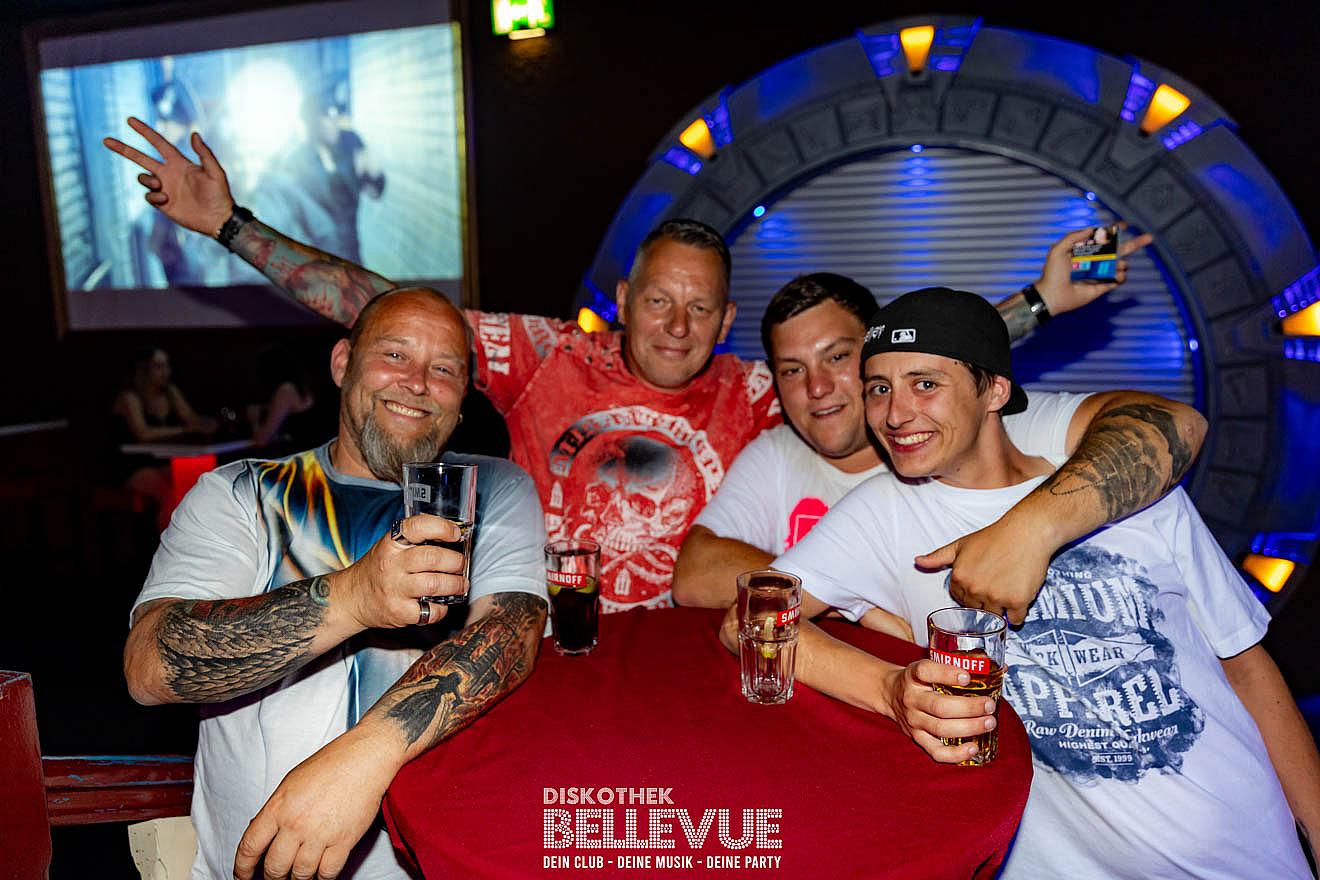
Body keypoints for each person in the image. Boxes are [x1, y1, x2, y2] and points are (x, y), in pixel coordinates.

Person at [105, 118, 1151, 611]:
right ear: (623, 300)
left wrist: (1038, 302)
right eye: (659, 300)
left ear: (725, 318)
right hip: (539, 633)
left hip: (694, 648)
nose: (677, 324)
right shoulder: (547, 354)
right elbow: (383, 310)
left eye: (700, 308)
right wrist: (233, 226)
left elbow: (891, 369)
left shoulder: (758, 388)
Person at [721, 287, 1320, 878]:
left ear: (995, 390)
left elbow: (1245, 667)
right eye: (879, 388)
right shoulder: (882, 514)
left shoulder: (1125, 489)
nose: (895, 414)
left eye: (925, 384)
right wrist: (889, 689)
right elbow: (749, 619)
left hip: (1252, 850)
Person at [125, 288, 549, 880]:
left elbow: (510, 634)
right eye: (395, 355)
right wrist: (355, 596)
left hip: (443, 862)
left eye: (444, 369)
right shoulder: (243, 492)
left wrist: (363, 760)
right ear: (343, 363)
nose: (417, 382)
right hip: (263, 867)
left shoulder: (492, 487)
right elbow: (149, 667)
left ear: (462, 400)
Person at [675, 261, 1205, 629]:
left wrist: (1032, 528)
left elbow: (1173, 424)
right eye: (792, 370)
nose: (816, 388)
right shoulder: (779, 454)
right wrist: (847, 596)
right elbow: (696, 576)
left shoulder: (1001, 425)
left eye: (837, 358)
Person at [111, 346, 218, 529]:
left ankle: (200, 536)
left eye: (167, 366)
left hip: (159, 460)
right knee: (168, 492)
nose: (165, 372)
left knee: (197, 480)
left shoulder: (170, 392)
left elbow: (191, 419)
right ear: (144, 369)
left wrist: (207, 423)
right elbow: (143, 433)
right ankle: (172, 543)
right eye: (159, 366)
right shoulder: (130, 397)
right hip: (130, 464)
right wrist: (184, 430)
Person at [246, 344, 320, 448]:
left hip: (303, 451)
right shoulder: (300, 386)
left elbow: (262, 440)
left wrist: (254, 421)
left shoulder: (286, 390)